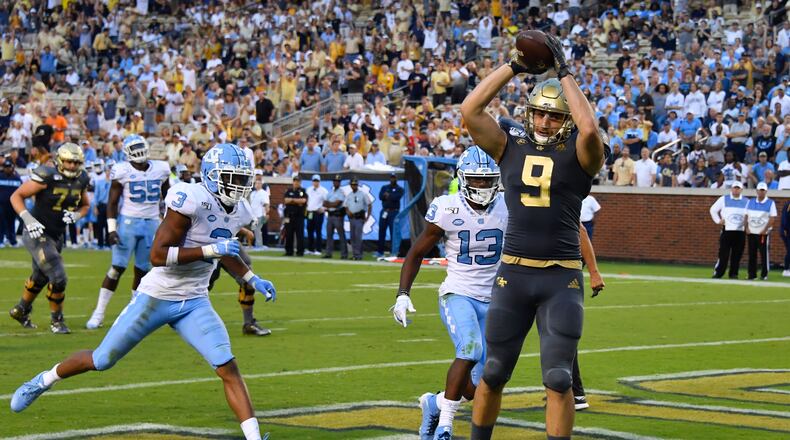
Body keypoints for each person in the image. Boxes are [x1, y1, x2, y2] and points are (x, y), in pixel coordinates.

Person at [8, 143, 275, 440]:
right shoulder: (191, 199)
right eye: (233, 178)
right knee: (102, 359)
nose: (239, 185)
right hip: (156, 296)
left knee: (227, 366)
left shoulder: (239, 209)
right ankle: (44, 380)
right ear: (213, 176)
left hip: (195, 300)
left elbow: (225, 250)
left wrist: (252, 278)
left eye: (242, 178)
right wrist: (211, 250)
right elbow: (158, 256)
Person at [459, 31, 606, 439]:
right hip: (514, 274)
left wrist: (565, 73)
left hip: (560, 277)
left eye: (554, 116)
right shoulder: (510, 146)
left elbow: (589, 129)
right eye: (539, 113)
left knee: (559, 378)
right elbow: (470, 109)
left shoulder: (581, 152)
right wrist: (514, 66)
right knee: (492, 372)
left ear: (566, 120)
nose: (544, 122)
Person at [393, 147, 508, 439]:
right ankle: (445, 426)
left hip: (495, 299)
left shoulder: (508, 206)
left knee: (482, 386)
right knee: (469, 349)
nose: (482, 185)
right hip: (458, 293)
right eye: (476, 179)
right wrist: (403, 294)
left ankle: (434, 404)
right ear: (463, 178)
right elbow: (416, 252)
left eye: (487, 179)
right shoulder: (448, 207)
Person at [86, 135, 170, 330]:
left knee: (142, 270)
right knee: (117, 268)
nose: (139, 151)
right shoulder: (122, 170)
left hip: (151, 224)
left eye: (141, 146)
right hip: (128, 223)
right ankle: (99, 313)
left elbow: (169, 198)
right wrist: (112, 229)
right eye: (135, 147)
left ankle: (134, 313)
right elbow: (112, 203)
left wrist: (167, 223)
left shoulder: (161, 169)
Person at [8, 143, 90, 333]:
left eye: (76, 162)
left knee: (40, 276)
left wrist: (77, 215)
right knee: (58, 276)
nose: (72, 166)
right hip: (37, 232)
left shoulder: (82, 179)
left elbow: (85, 205)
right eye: (68, 162)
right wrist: (27, 219)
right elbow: (16, 196)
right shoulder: (47, 176)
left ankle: (20, 310)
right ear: (60, 160)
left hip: (56, 234)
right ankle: (57, 320)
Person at [710, 181, 748, 279]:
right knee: (723, 253)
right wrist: (718, 221)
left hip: (740, 231)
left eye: (738, 188)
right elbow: (713, 210)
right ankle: (719, 273)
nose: (736, 190)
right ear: (731, 189)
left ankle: (734, 273)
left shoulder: (746, 201)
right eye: (734, 188)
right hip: (727, 230)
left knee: (737, 254)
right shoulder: (724, 199)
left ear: (741, 190)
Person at [745, 182, 777, 280]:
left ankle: (764, 274)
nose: (761, 192)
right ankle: (752, 274)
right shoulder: (750, 202)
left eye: (763, 190)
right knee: (752, 254)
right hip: (751, 232)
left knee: (764, 255)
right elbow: (746, 215)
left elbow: (772, 218)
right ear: (757, 191)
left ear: (766, 191)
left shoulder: (770, 203)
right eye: (760, 190)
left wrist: (765, 229)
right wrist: (746, 228)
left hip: (763, 233)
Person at [376, 172, 404, 257]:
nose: (392, 179)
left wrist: (389, 195)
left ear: (396, 179)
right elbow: (380, 197)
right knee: (381, 231)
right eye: (391, 177)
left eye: (394, 177)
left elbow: (396, 197)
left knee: (393, 232)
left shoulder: (400, 188)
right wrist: (389, 195)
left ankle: (394, 251)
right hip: (385, 211)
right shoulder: (384, 187)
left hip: (394, 212)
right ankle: (380, 251)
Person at [344, 177, 371, 260]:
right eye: (352, 185)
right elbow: (345, 205)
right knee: (352, 237)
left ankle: (358, 255)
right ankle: (355, 254)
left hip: (359, 217)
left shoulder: (363, 194)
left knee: (358, 236)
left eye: (355, 184)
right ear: (350, 185)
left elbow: (369, 204)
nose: (354, 186)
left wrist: (368, 216)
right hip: (352, 218)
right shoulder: (349, 195)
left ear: (357, 185)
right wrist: (347, 211)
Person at [323, 174, 348, 259]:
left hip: (338, 215)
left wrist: (330, 204)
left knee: (341, 235)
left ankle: (344, 254)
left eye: (338, 181)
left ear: (340, 183)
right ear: (333, 182)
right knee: (329, 235)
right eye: (335, 181)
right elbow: (324, 203)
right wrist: (331, 204)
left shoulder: (341, 192)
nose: (336, 182)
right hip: (330, 215)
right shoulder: (330, 192)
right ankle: (328, 253)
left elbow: (337, 204)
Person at [282, 175, 307, 256]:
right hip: (289, 216)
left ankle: (300, 252)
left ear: (300, 182)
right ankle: (289, 251)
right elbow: (286, 200)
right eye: (295, 181)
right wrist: (296, 201)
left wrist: (292, 200)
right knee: (288, 234)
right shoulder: (288, 191)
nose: (296, 183)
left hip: (299, 216)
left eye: (298, 181)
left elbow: (303, 201)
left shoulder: (302, 191)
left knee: (299, 234)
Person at [305, 174, 329, 256]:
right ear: (312, 181)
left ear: (319, 181)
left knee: (318, 231)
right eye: (314, 181)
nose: (316, 182)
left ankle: (318, 249)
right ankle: (310, 249)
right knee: (309, 230)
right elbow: (307, 200)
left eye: (317, 181)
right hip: (310, 212)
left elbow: (327, 201)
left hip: (318, 212)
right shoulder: (309, 189)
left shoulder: (323, 190)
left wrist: (324, 208)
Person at [0, 158, 22, 246]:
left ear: (12, 167)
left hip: (12, 204)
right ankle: (1, 241)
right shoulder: (0, 176)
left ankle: (12, 241)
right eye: (6, 167)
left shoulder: (17, 178)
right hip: (1, 204)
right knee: (1, 223)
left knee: (11, 223)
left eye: (9, 167)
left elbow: (20, 192)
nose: (7, 169)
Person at [249, 174, 270, 249]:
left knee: (258, 230)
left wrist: (266, 213)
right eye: (256, 183)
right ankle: (254, 244)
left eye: (258, 183)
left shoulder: (263, 193)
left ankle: (259, 245)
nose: (257, 185)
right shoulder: (253, 193)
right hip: (253, 215)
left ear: (261, 184)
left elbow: (266, 204)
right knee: (254, 230)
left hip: (260, 214)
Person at [782, 200, 790, 277]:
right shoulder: (788, 204)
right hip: (787, 231)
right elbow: (784, 218)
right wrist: (785, 229)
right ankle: (786, 269)